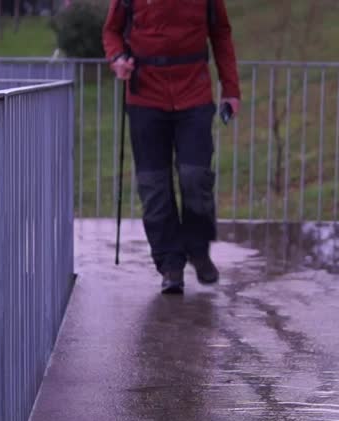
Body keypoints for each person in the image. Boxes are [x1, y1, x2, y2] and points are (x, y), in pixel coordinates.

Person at [103, 0, 241, 295]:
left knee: (195, 177)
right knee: (154, 187)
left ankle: (198, 250)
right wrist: (117, 58)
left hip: (194, 94)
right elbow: (112, 31)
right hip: (145, 99)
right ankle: (170, 265)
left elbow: (221, 35)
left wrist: (231, 89)